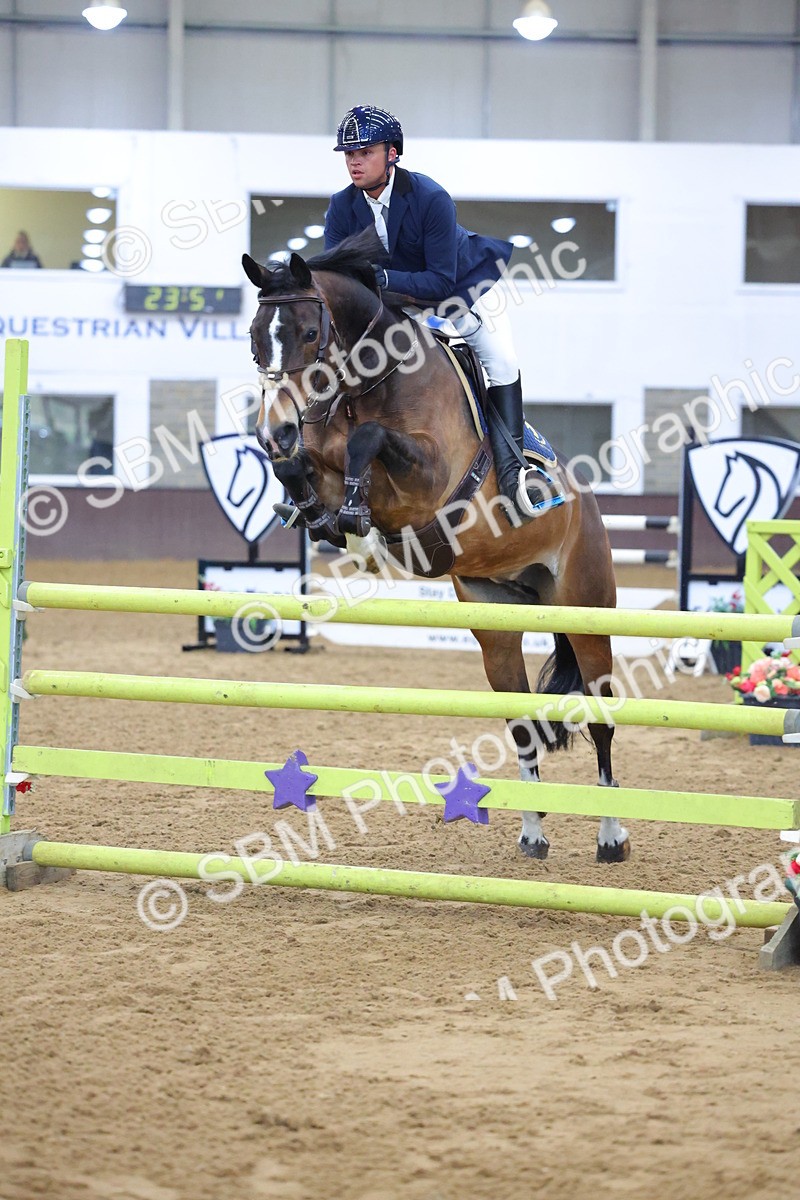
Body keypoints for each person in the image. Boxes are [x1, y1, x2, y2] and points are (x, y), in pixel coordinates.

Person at [325, 104, 543, 521]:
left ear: (393, 153)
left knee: (502, 360)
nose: (354, 161)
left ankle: (516, 474)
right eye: (349, 154)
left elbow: (441, 281)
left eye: (365, 151)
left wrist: (383, 281)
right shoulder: (341, 207)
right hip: (401, 308)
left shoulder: (430, 198)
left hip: (464, 291)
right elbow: (339, 277)